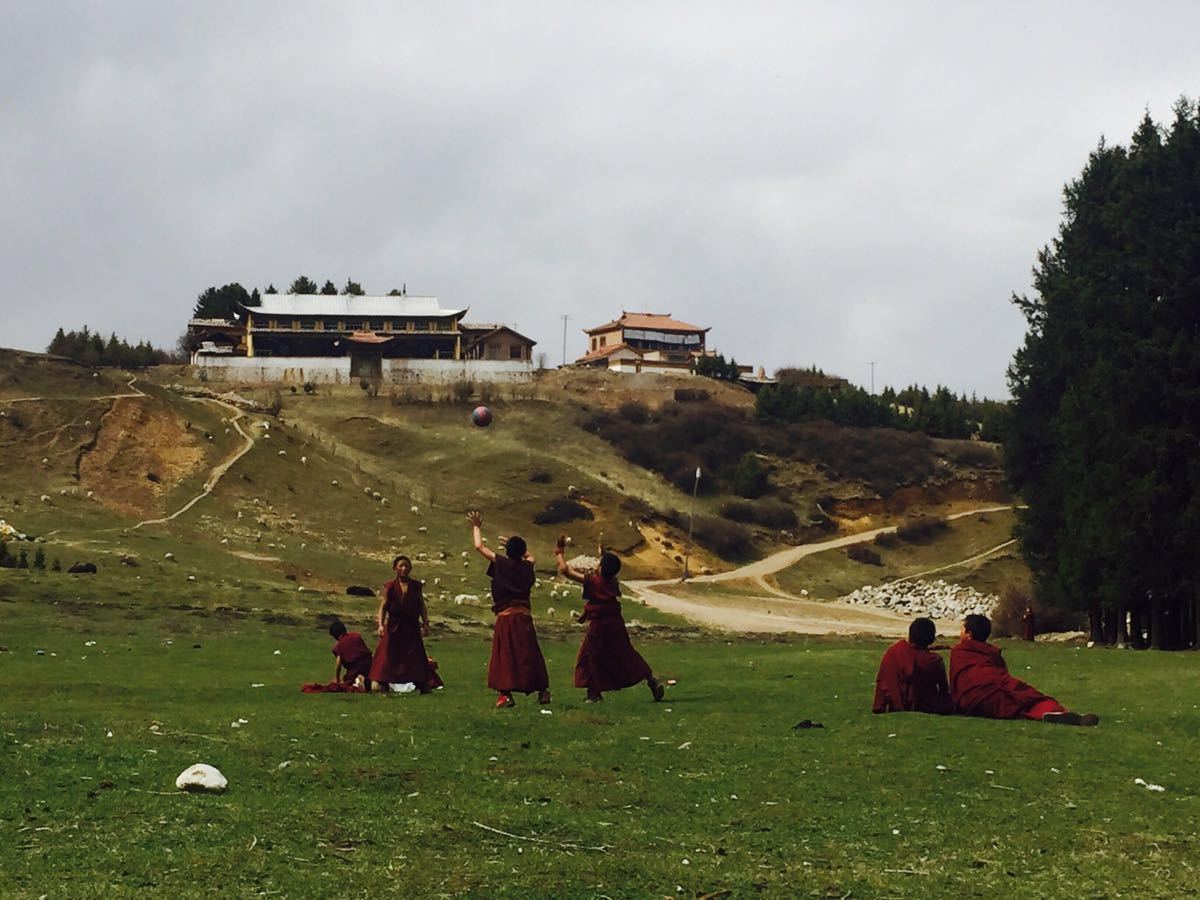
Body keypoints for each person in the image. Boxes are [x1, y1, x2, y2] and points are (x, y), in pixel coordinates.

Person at [554, 534, 664, 703]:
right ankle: (651, 679)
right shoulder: (612, 581)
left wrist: (559, 551)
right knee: (626, 654)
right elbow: (605, 567)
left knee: (589, 656)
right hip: (616, 623)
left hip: (599, 626)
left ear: (601, 568)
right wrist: (602, 551)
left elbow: (565, 571)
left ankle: (593, 694)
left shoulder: (593, 581)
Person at [950, 614, 1099, 726]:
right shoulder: (992, 652)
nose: (960, 632)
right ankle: (1055, 711)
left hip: (970, 701)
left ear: (969, 635)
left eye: (962, 629)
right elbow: (1001, 676)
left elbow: (957, 683)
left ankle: (1054, 714)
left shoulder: (958, 652)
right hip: (995, 694)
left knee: (1015, 705)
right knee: (1024, 697)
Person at [468, 510, 550, 708]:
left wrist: (476, 526)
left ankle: (505, 695)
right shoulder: (527, 566)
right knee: (530, 653)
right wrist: (520, 549)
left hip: (506, 617)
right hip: (524, 617)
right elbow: (531, 557)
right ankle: (543, 692)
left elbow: (479, 546)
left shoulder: (501, 563)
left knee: (505, 655)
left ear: (507, 552)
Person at [368, 555, 433, 694]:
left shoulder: (415, 586)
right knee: (388, 652)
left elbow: (421, 605)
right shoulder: (390, 586)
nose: (404, 569)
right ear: (395, 568)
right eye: (401, 566)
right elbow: (383, 606)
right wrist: (380, 624)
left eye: (407, 566)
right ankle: (383, 681)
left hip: (411, 625)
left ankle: (420, 682)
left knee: (415, 653)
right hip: (394, 625)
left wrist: (426, 623)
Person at [871, 617, 951, 714]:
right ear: (932, 638)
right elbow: (944, 690)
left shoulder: (894, 652)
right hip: (926, 706)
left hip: (894, 705)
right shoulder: (934, 661)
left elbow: (883, 682)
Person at [329, 619, 374, 687]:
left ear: (335, 635)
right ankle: (365, 679)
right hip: (369, 664)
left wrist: (337, 678)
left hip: (356, 668)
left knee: (347, 679)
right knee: (369, 676)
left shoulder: (340, 645)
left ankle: (358, 680)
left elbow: (339, 664)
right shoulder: (356, 636)